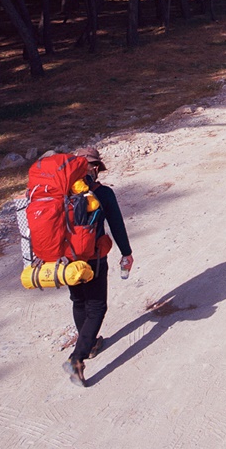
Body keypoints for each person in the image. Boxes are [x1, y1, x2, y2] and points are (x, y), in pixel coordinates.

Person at [64, 146, 133, 387]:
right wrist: (126, 253)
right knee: (96, 307)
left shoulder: (61, 191)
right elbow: (116, 226)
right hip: (93, 259)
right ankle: (77, 358)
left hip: (68, 260)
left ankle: (89, 342)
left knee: (79, 301)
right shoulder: (103, 193)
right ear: (96, 168)